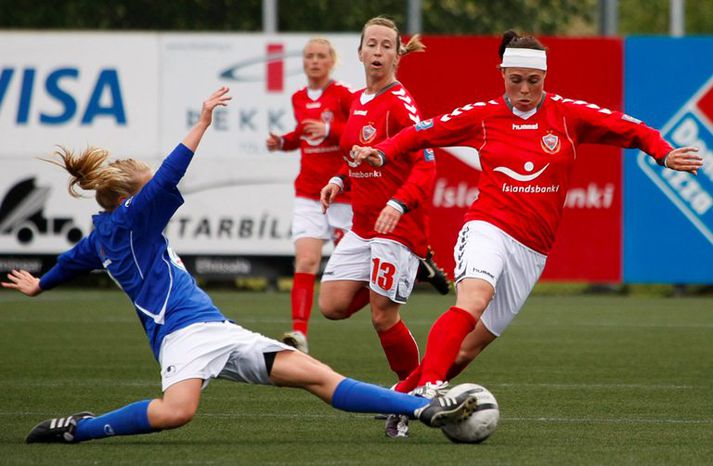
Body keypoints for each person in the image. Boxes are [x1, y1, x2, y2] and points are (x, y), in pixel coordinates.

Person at [1, 87, 479, 445]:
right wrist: (203, 121)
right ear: (131, 198)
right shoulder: (130, 219)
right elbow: (171, 171)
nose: (157, 192)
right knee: (176, 412)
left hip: (214, 328)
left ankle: (420, 408)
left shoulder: (105, 231)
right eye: (146, 188)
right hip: (182, 335)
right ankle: (80, 430)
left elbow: (71, 260)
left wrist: (41, 283)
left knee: (319, 377)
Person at [352, 30, 703, 397]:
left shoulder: (568, 115)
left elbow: (632, 129)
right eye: (515, 80)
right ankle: (427, 392)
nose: (523, 89)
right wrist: (384, 151)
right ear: (502, 74)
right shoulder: (483, 115)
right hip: (487, 226)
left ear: (545, 78)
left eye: (533, 81)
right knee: (473, 300)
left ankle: (399, 400)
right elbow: (423, 132)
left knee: (467, 349)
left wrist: (663, 152)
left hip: (532, 249)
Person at [318, 16, 437, 439]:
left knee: (383, 317)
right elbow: (353, 155)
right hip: (362, 225)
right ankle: (409, 274)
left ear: (397, 55)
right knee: (331, 305)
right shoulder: (357, 100)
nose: (378, 52)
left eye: (387, 45)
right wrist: (338, 180)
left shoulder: (400, 104)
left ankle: (410, 398)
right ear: (360, 51)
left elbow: (427, 166)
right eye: (372, 44)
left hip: (398, 225)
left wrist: (397, 202)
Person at [266, 38, 354, 354]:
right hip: (308, 192)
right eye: (309, 56)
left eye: (321, 56)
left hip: (343, 193)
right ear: (303, 62)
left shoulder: (343, 94)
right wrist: (283, 142)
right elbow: (303, 135)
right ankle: (299, 335)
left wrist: (330, 130)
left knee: (355, 269)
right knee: (305, 260)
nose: (314, 61)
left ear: (332, 61)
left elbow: (357, 133)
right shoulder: (298, 97)